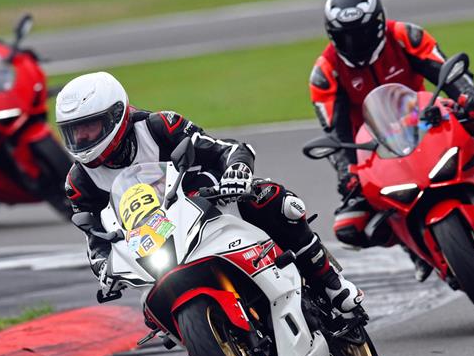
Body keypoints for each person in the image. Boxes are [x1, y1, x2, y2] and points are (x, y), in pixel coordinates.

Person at [58, 71, 366, 324]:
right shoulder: (79, 180)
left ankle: (329, 282)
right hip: (154, 240)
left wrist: (237, 170)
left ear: (116, 116)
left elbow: (225, 149)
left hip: (210, 202)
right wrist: (104, 268)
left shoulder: (159, 126)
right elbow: (95, 234)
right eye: (74, 131)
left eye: (89, 127)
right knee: (152, 313)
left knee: (276, 201)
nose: (82, 139)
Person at [309, 0, 474, 279]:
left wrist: (468, 93)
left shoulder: (404, 36)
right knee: (350, 227)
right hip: (373, 149)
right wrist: (346, 172)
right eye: (345, 36)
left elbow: (447, 71)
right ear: (332, 36)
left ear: (378, 24)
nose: (355, 42)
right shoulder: (326, 71)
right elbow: (336, 133)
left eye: (361, 32)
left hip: (423, 119)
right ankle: (412, 246)